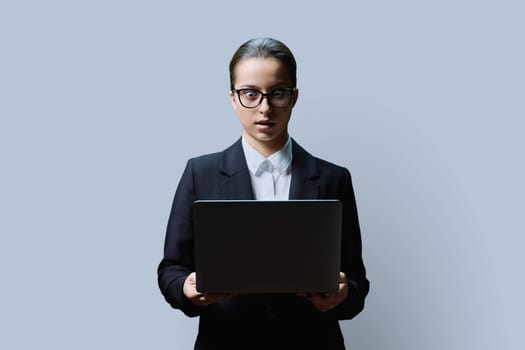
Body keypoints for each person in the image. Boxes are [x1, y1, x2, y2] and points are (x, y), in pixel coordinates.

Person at [157, 37, 369, 350]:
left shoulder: (333, 178)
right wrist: (186, 288)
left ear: (294, 97)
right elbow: (171, 269)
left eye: (277, 93)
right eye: (250, 94)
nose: (264, 108)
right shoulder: (199, 173)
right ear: (232, 97)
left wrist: (344, 293)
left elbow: (356, 281)